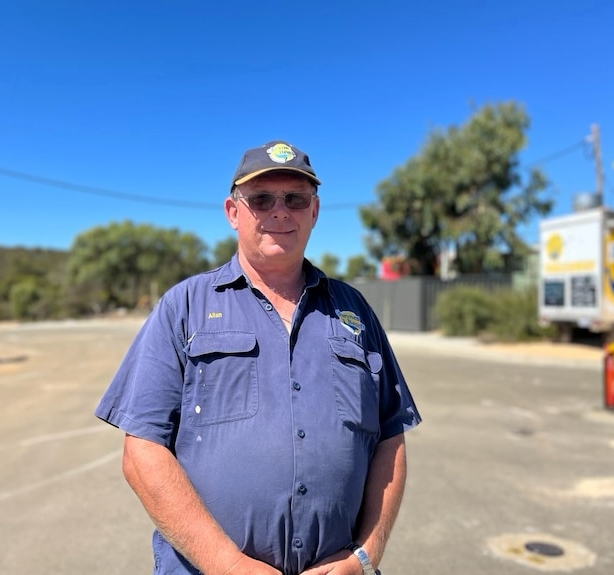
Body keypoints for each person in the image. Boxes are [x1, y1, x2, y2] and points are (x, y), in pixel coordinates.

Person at [95, 140, 421, 575]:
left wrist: (365, 555)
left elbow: (389, 437)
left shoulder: (355, 311)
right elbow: (141, 450)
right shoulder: (184, 306)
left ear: (315, 211)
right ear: (233, 211)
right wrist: (227, 564)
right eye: (262, 199)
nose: (280, 211)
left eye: (295, 199)